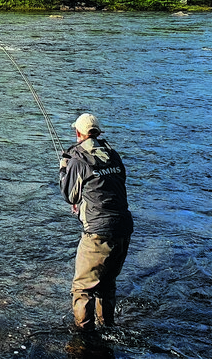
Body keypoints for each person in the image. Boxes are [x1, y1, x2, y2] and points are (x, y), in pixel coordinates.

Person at [58, 113, 134, 332]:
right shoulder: (113, 155)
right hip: (123, 228)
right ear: (98, 132)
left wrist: (64, 169)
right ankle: (108, 329)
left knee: (82, 289)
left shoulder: (78, 158)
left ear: (78, 133)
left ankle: (84, 338)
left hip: (98, 233)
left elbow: (69, 196)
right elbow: (110, 186)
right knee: (107, 284)